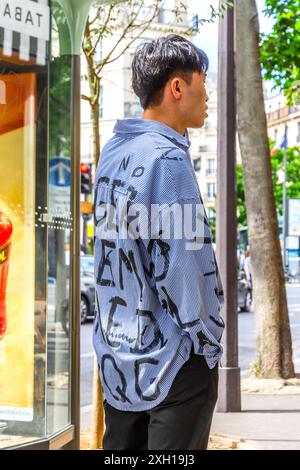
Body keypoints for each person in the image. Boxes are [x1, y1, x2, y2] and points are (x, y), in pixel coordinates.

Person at [93, 35, 225, 450]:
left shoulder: (114, 152)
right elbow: (184, 270)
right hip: (173, 366)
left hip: (119, 363)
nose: (208, 95)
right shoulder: (167, 159)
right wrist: (209, 344)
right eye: (204, 83)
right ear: (177, 87)